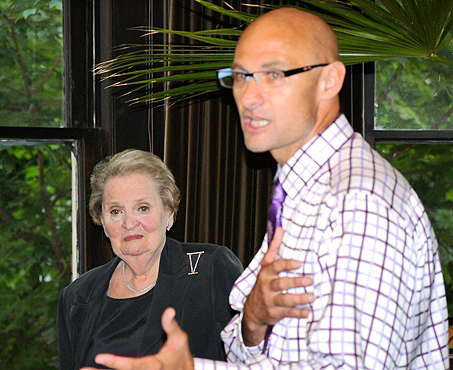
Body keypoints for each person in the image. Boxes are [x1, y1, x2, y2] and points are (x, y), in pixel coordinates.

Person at [81, 7, 449, 370]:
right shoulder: (301, 192)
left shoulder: (359, 202)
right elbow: (260, 356)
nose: (249, 96)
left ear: (330, 80)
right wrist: (254, 321)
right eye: (241, 77)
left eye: (274, 74)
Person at [57, 149, 243, 369]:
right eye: (116, 211)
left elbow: (251, 358)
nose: (129, 223)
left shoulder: (209, 268)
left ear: (169, 212)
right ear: (102, 221)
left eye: (142, 208)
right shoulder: (77, 296)